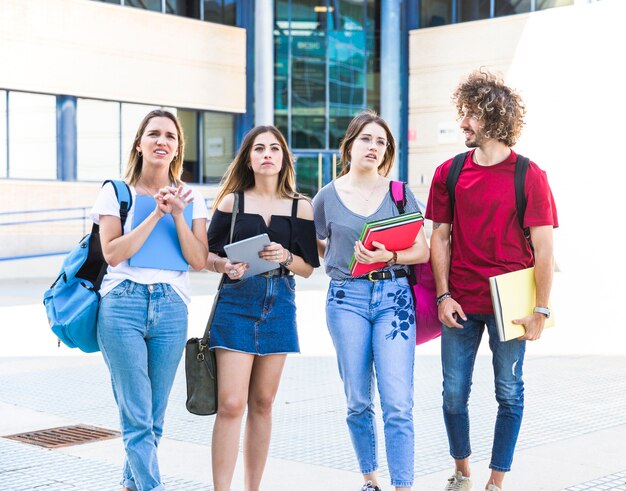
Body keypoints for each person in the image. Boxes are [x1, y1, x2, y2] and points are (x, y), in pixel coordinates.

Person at [426, 69, 558, 491]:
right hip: (460, 303)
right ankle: (462, 470)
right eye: (462, 114)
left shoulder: (529, 175)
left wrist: (541, 308)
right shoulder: (449, 172)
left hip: (511, 306)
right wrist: (443, 295)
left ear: (496, 119)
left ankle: (496, 481)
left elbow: (544, 250)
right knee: (452, 394)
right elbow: (440, 237)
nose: (463, 123)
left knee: (509, 393)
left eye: (471, 116)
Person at [92, 109, 209, 491]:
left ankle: (131, 485)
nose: (162, 141)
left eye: (170, 137)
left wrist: (176, 214)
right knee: (137, 416)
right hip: (121, 304)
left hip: (171, 307)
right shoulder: (116, 192)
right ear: (139, 144)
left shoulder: (194, 199)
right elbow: (112, 252)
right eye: (154, 134)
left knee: (155, 417)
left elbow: (198, 260)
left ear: (178, 149)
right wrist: (154, 214)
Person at [313, 110, 430, 491]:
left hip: (394, 299)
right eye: (366, 139)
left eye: (381, 142)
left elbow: (422, 250)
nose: (374, 147)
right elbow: (315, 245)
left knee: (397, 401)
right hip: (346, 299)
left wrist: (389, 257)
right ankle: (370, 479)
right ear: (350, 145)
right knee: (358, 399)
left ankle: (403, 485)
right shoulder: (326, 197)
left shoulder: (399, 193)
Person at [206, 125, 320, 491]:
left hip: (280, 302)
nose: (267, 154)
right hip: (237, 301)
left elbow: (306, 268)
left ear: (284, 157)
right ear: (249, 158)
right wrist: (225, 265)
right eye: (259, 149)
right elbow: (206, 254)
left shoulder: (300, 206)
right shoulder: (231, 202)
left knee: (263, 403)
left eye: (274, 148)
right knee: (232, 404)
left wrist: (287, 256)